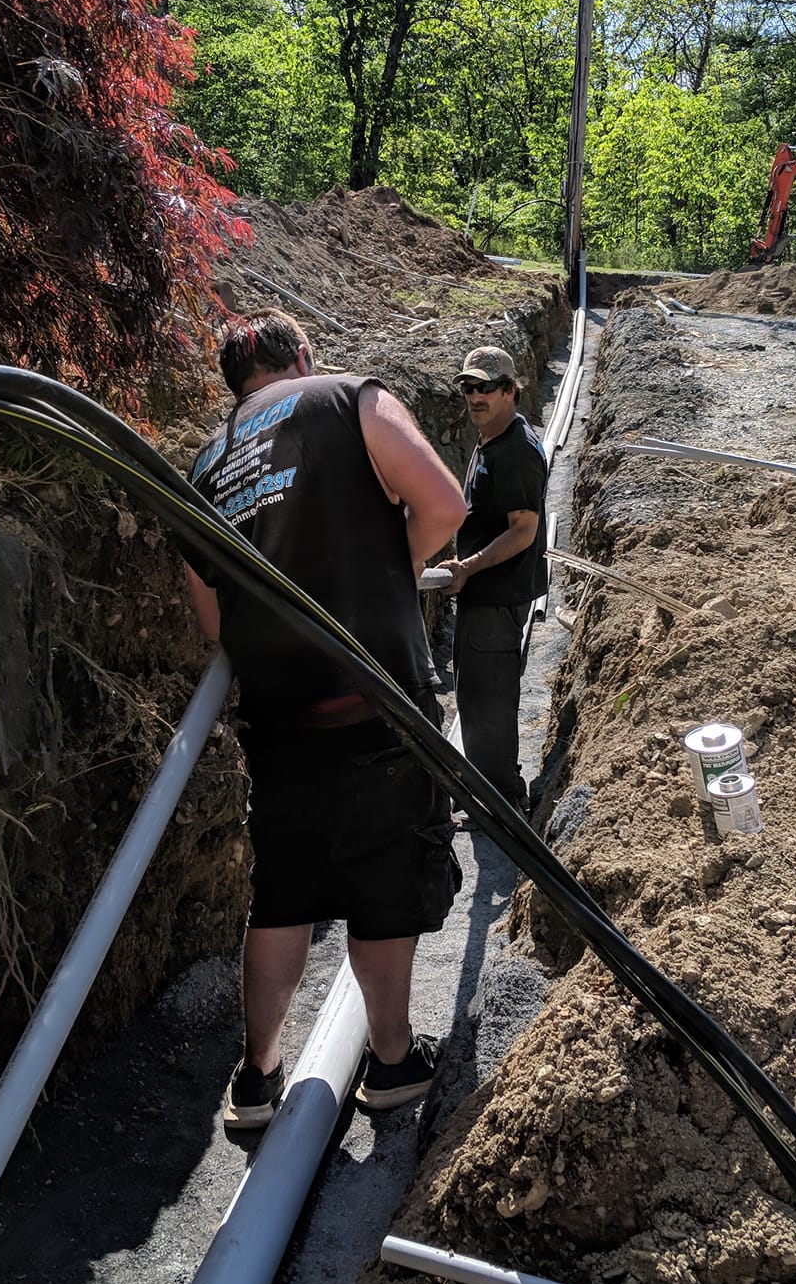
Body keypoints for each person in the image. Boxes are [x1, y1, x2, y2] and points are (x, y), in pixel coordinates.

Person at [183, 311, 467, 1132]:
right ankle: (391, 1061)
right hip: (378, 704)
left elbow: (214, 619)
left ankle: (256, 1077)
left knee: (282, 894)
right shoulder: (348, 398)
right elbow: (444, 503)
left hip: (279, 719)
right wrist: (392, 567)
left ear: (235, 384)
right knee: (384, 884)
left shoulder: (205, 464)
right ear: (302, 357)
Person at [441, 344, 548, 812]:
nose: (475, 397)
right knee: (476, 695)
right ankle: (491, 792)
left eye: (485, 388)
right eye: (468, 388)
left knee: (488, 703)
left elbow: (524, 530)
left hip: (495, 597)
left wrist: (468, 566)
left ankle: (501, 803)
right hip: (485, 594)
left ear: (510, 390)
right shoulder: (493, 439)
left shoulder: (515, 452)